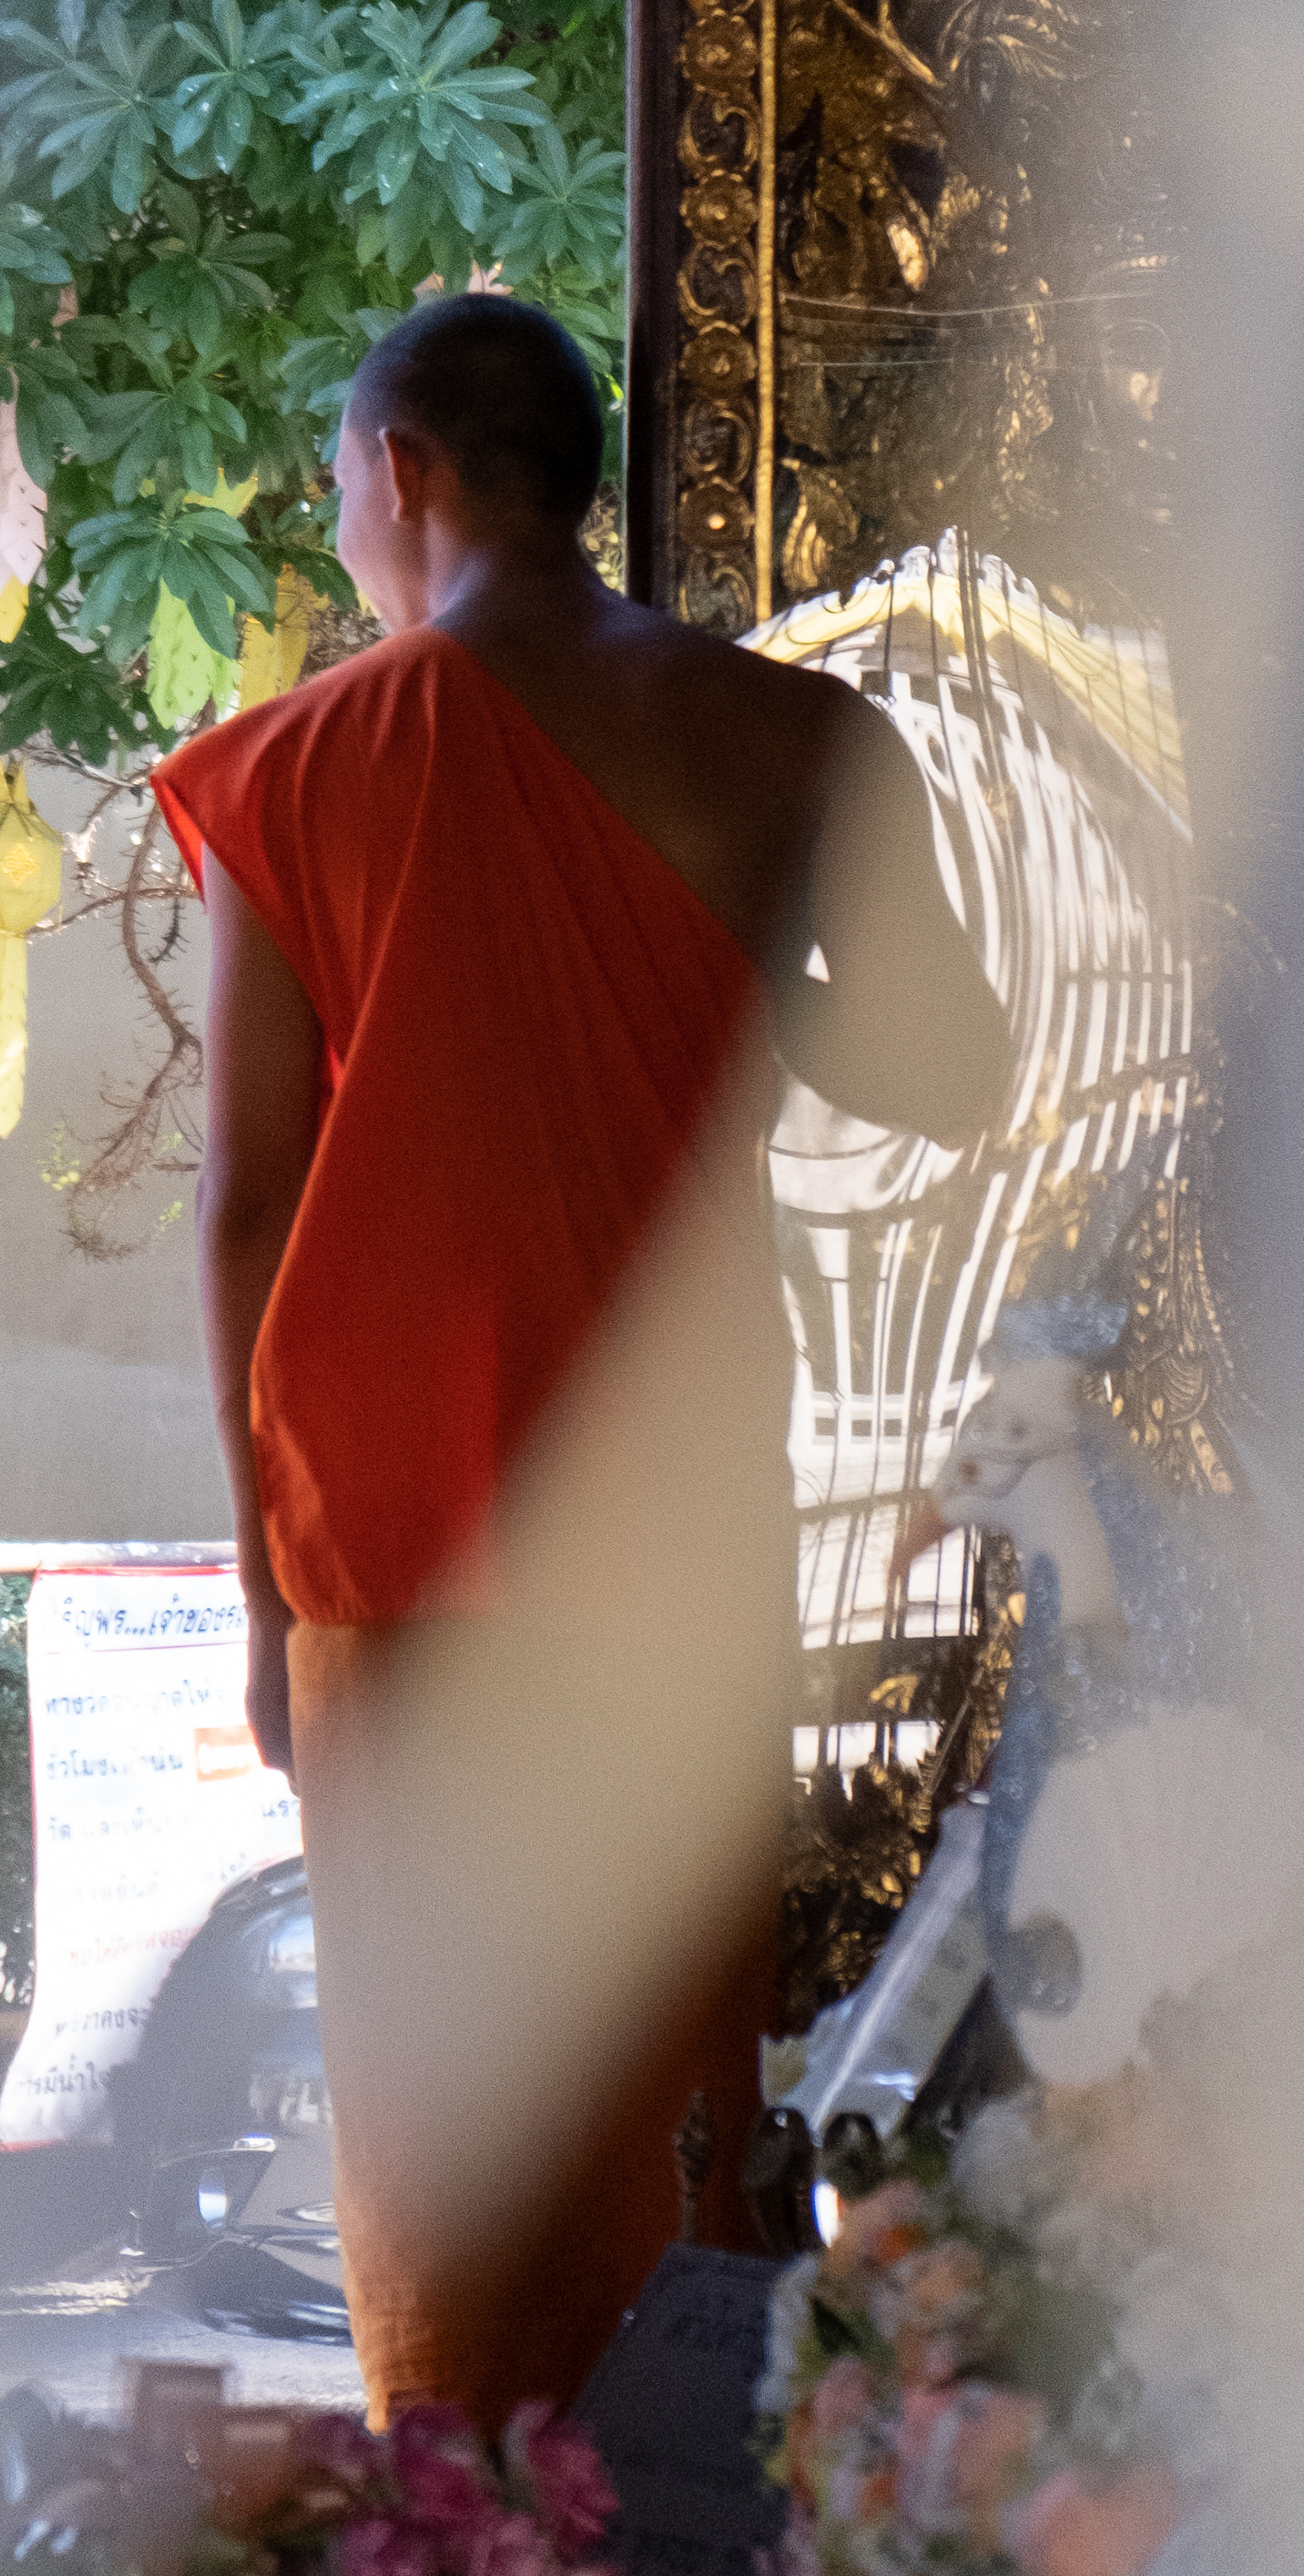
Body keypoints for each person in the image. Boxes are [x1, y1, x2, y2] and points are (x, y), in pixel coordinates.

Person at [155, 292, 1003, 2427]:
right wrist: (757, 968)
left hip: (390, 1510)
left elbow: (249, 1203)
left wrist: (263, 1597)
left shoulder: (298, 770)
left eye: (345, 481)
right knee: (658, 2091)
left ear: (406, 473)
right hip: (679, 1509)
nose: (348, 520)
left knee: (443, 2123)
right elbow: (955, 1073)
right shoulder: (792, 740)